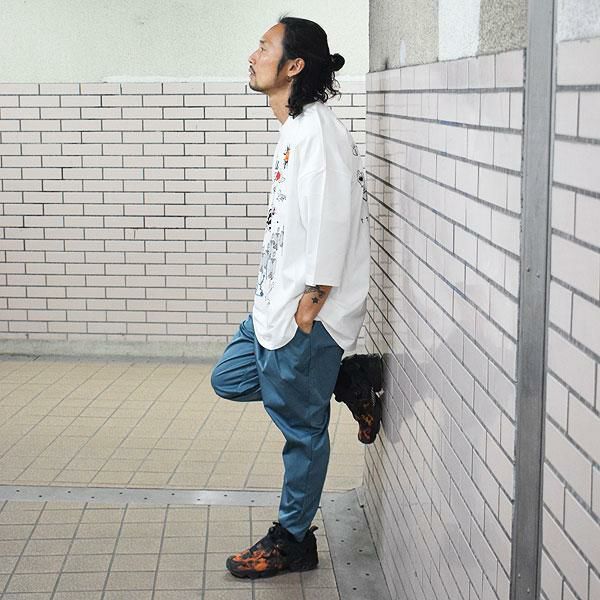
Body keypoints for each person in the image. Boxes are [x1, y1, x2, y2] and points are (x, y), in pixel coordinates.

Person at [210, 15, 376, 579]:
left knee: (302, 433)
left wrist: (314, 299)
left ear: (294, 66)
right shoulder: (296, 127)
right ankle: (343, 379)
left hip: (306, 315)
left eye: (265, 47)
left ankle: (294, 539)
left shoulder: (319, 134)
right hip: (273, 308)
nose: (253, 55)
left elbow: (334, 220)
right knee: (229, 377)